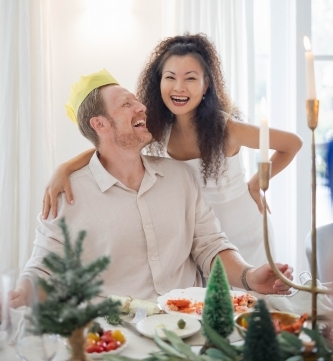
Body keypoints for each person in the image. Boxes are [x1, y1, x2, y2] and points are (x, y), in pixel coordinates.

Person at [11, 70, 293, 307]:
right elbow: (43, 268)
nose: (142, 107)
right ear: (99, 124)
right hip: (117, 336)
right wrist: (19, 295)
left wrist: (249, 276)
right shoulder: (67, 195)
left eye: (137, 101)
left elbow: (211, 246)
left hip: (190, 322)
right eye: (126, 104)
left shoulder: (180, 176)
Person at [42, 34, 303, 268]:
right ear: (159, 84)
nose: (179, 87)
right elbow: (114, 144)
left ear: (206, 86)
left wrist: (257, 182)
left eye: (190, 78)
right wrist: (64, 167)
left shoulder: (228, 129)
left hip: (245, 233)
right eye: (170, 78)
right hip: (199, 238)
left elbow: (291, 143)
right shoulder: (156, 128)